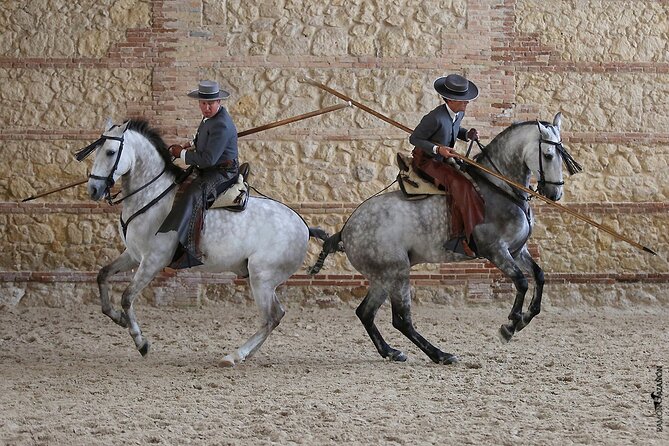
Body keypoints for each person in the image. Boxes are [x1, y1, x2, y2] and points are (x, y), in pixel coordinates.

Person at [158, 80, 239, 268]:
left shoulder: (221, 125)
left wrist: (181, 154)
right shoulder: (209, 118)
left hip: (222, 172)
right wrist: (191, 144)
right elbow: (203, 138)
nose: (206, 107)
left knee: (193, 196)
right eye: (203, 103)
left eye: (211, 103)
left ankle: (191, 250)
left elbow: (208, 159)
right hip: (210, 167)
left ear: (219, 101)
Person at [409, 73, 485, 257]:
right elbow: (415, 138)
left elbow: (454, 129)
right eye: (463, 101)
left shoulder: (458, 113)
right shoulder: (433, 118)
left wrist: (467, 135)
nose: (466, 103)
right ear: (450, 100)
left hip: (444, 159)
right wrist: (437, 149)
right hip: (427, 161)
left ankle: (479, 228)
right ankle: (460, 237)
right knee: (462, 186)